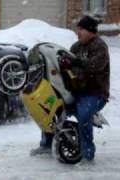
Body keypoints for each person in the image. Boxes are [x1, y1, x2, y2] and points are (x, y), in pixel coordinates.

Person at [30, 15, 110, 163]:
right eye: (77, 29)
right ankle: (46, 144)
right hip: (75, 90)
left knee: (84, 115)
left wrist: (76, 62)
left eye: (81, 29)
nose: (78, 32)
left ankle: (87, 153)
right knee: (49, 105)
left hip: (94, 93)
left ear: (90, 31)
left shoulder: (99, 46)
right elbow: (67, 65)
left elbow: (95, 66)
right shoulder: (76, 46)